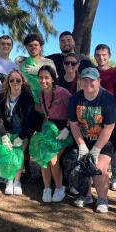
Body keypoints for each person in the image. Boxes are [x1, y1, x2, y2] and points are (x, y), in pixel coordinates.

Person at [69, 67, 116, 213]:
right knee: (80, 163)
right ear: (80, 82)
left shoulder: (107, 98)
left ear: (98, 81)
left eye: (92, 80)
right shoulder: (75, 98)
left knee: (98, 167)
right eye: (84, 80)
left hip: (106, 138)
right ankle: (86, 195)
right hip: (85, 137)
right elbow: (73, 124)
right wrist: (82, 145)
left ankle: (102, 199)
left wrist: (97, 149)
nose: (88, 83)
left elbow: (109, 127)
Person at [19, 33, 57, 182]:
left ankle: (44, 173)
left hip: (46, 105)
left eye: (35, 45)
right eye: (30, 45)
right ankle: (27, 170)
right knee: (26, 137)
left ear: (41, 46)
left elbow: (55, 80)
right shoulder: (23, 64)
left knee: (46, 137)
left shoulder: (48, 62)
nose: (33, 47)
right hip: (29, 105)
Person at [0, 69, 35, 195]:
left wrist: (22, 136)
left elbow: (30, 118)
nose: (15, 82)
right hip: (7, 131)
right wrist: (3, 135)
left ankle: (16, 181)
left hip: (22, 132)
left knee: (19, 155)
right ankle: (9, 180)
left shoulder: (27, 96)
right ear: (8, 81)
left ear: (22, 81)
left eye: (18, 80)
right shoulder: (2, 96)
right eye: (12, 80)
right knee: (7, 154)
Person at [37, 65, 72, 203]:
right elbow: (47, 115)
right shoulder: (41, 94)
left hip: (63, 131)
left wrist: (67, 129)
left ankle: (59, 187)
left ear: (52, 79)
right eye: (40, 77)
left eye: (46, 77)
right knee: (43, 157)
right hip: (49, 130)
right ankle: (47, 188)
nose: (43, 80)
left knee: (52, 159)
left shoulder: (63, 92)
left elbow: (74, 111)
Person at [0, 35, 19, 187]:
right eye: (2, 43)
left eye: (8, 44)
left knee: (7, 137)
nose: (5, 46)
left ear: (11, 46)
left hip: (10, 105)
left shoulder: (14, 65)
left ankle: (4, 171)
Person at [94, 44, 116, 192]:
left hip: (111, 115)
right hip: (93, 116)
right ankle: (97, 173)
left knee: (115, 145)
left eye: (104, 54)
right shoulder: (91, 72)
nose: (101, 57)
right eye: (98, 55)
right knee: (98, 145)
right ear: (94, 56)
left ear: (109, 56)